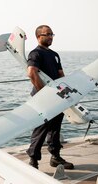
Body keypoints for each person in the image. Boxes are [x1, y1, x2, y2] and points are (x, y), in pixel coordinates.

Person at [26, 25, 74, 169]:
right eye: (47, 34)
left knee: (55, 128)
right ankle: (33, 161)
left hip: (57, 97)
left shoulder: (54, 54)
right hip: (43, 98)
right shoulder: (35, 54)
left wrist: (67, 93)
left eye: (52, 34)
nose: (51, 37)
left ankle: (55, 157)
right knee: (41, 129)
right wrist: (44, 94)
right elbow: (31, 73)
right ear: (38, 36)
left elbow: (60, 75)